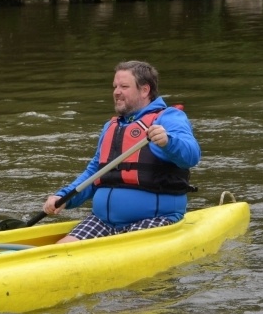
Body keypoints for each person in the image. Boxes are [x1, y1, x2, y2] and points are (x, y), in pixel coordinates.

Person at [42, 61, 200, 243]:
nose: (117, 92)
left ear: (144, 90)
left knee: (122, 248)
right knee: (61, 250)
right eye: (115, 86)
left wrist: (168, 141)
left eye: (124, 86)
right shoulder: (111, 126)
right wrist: (64, 197)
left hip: (155, 219)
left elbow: (192, 155)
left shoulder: (168, 118)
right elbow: (95, 173)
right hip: (104, 221)